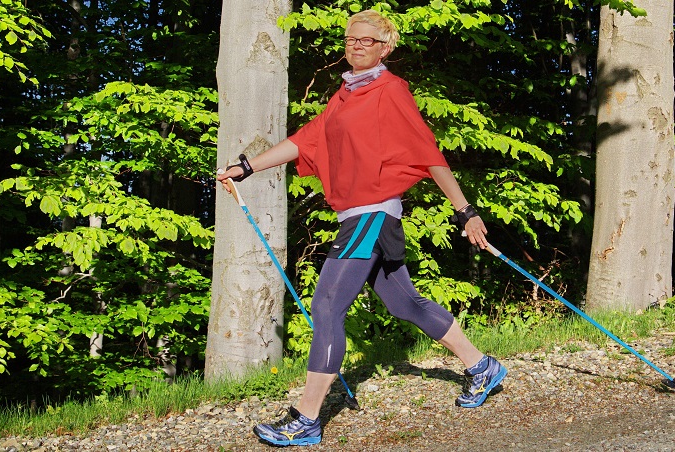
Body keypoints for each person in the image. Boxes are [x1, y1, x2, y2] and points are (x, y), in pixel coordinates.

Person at [216, 9, 507, 447]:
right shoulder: (345, 95)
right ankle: (482, 366)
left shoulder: (391, 90)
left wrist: (466, 211)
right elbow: (307, 139)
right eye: (351, 39)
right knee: (404, 303)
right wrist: (246, 166)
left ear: (386, 47)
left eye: (366, 41)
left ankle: (306, 418)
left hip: (372, 212)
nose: (355, 45)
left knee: (328, 306)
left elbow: (427, 152)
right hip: (356, 214)